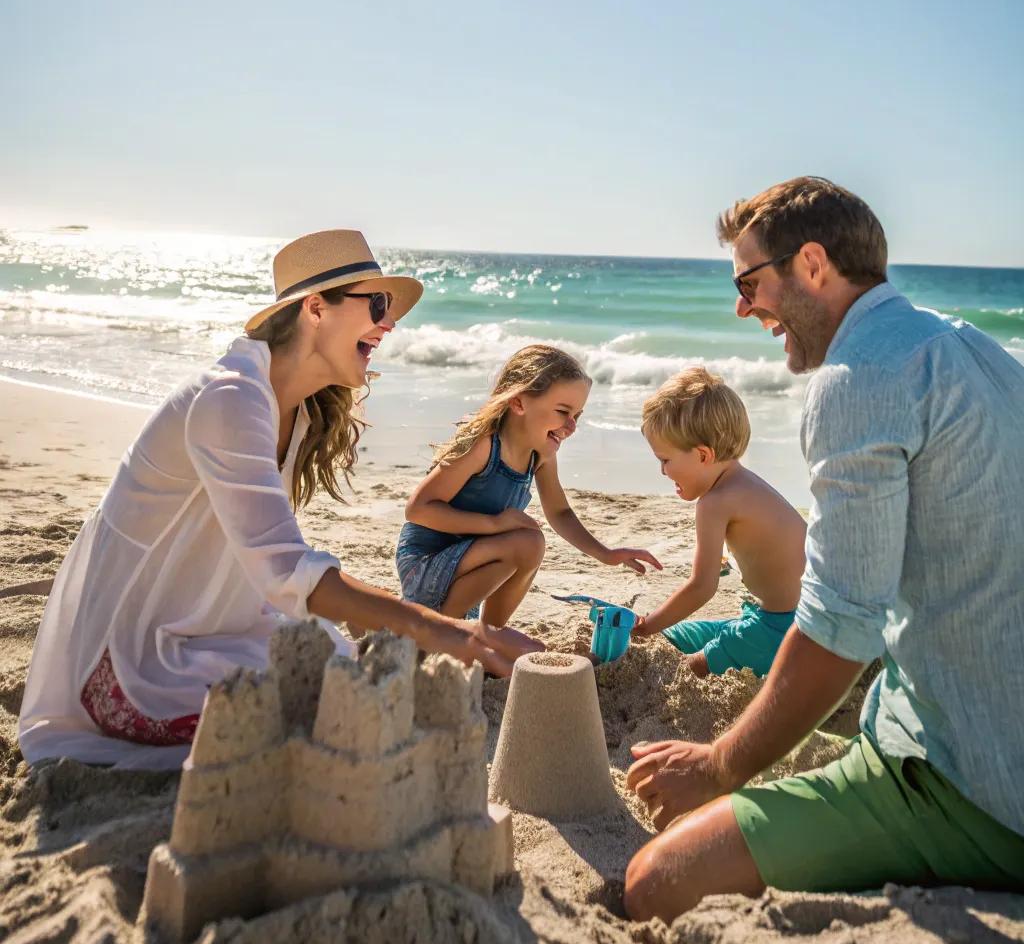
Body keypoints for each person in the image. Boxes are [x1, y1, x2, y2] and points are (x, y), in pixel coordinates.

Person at [624, 177, 1024, 920]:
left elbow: (841, 629)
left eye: (749, 282)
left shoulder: (857, 379)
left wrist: (719, 764)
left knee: (657, 880)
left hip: (971, 782)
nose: (743, 308)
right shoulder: (974, 350)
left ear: (812, 264)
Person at [18, 231, 540, 770]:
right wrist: (450, 630)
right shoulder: (231, 396)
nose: (389, 325)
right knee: (302, 723)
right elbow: (284, 569)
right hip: (136, 656)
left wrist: (427, 628)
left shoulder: (300, 413)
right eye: (377, 305)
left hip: (217, 626)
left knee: (344, 680)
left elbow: (273, 570)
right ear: (316, 307)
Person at [396, 344, 662, 624]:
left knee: (529, 544)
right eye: (562, 411)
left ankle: (489, 633)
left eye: (577, 416)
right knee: (527, 543)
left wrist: (605, 554)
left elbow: (559, 513)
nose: (571, 426)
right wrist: (495, 524)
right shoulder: (483, 444)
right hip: (426, 564)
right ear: (519, 402)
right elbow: (418, 509)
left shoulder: (541, 454)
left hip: (471, 564)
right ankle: (443, 629)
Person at [632, 367, 806, 677]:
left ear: (702, 455)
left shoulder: (714, 503)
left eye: (665, 460)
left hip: (786, 632)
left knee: (691, 667)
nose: (662, 471)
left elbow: (702, 587)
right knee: (684, 636)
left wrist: (647, 627)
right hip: (788, 619)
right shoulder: (745, 482)